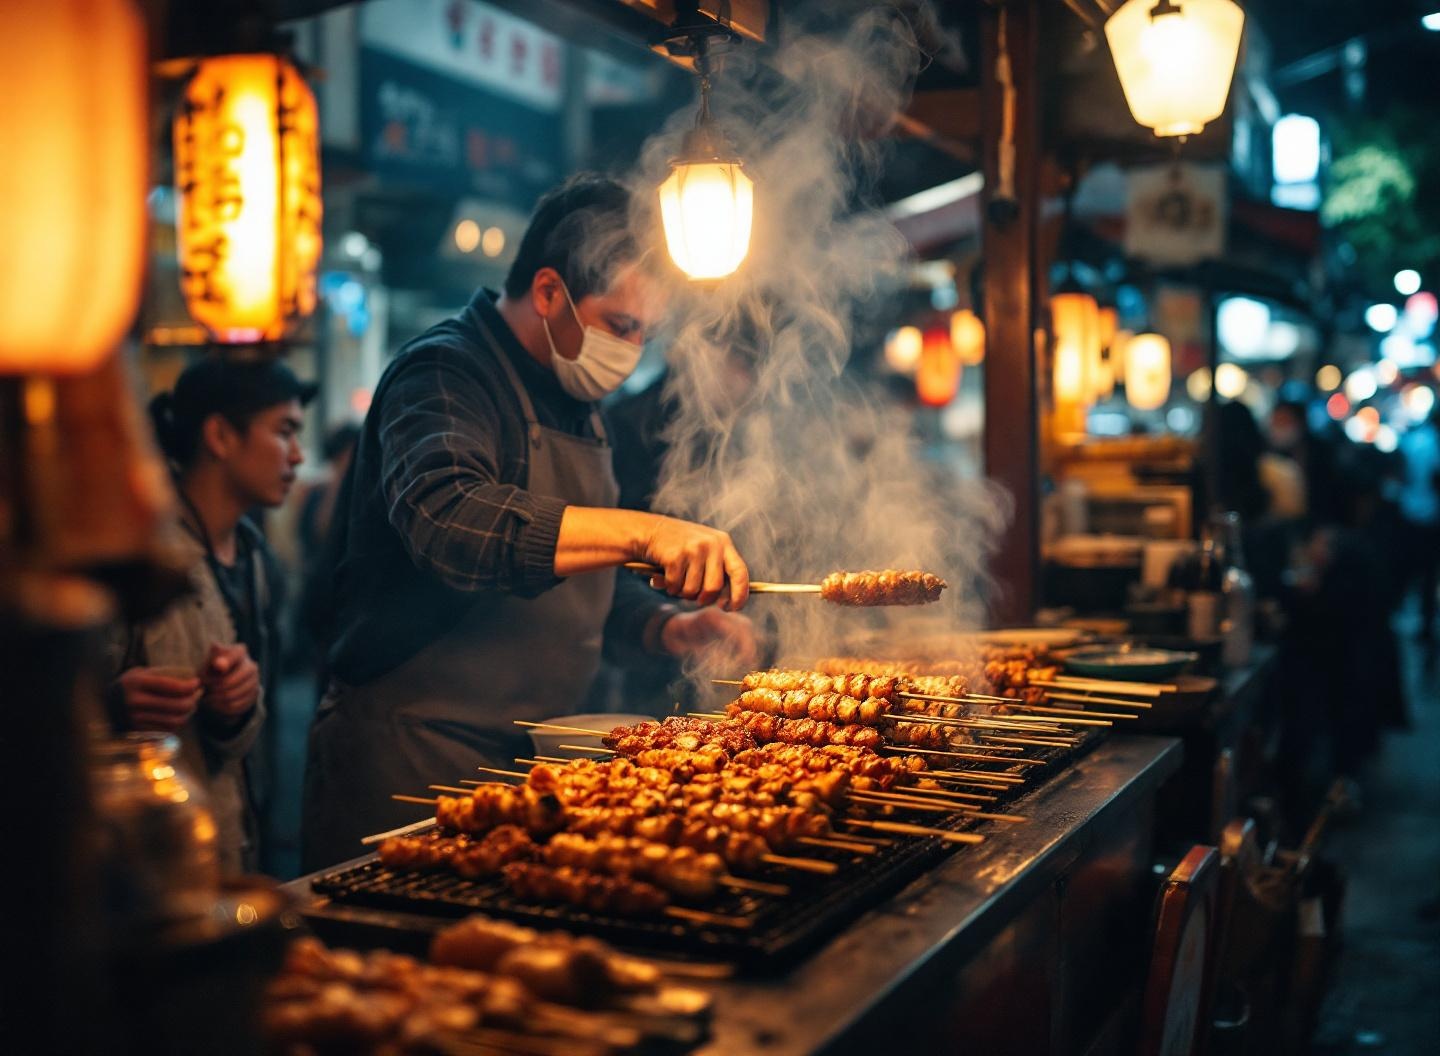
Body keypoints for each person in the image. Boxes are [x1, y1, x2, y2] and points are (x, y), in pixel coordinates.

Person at [301, 175, 756, 870]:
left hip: (531, 763)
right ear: (548, 293)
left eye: (645, 335)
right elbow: (450, 523)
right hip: (408, 754)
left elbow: (574, 585)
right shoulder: (444, 373)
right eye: (619, 326)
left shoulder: (577, 404)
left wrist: (664, 626)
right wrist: (641, 531)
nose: (632, 352)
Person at [107, 358, 313, 874]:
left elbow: (251, 737)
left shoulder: (258, 558)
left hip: (233, 845)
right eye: (283, 431)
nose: (297, 455)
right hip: (142, 860)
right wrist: (109, 705)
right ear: (220, 435)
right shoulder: (139, 554)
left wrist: (238, 705)